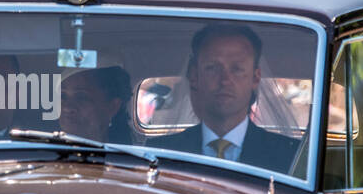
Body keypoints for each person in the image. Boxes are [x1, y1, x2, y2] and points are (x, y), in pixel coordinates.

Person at [160, 23, 300, 171]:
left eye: (237, 69)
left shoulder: (290, 157)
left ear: (255, 78)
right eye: (213, 68)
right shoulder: (160, 152)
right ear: (194, 76)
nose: (225, 80)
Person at [59, 66, 133, 143]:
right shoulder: (47, 151)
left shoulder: (124, 154)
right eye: (63, 96)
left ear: (113, 106)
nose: (67, 107)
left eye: (81, 97)